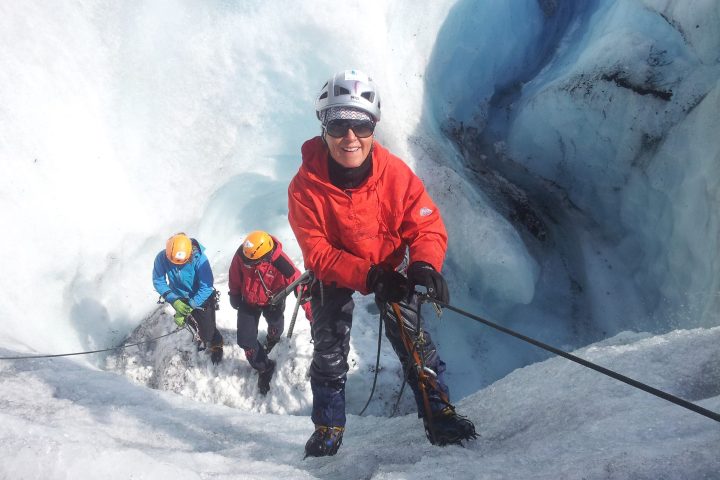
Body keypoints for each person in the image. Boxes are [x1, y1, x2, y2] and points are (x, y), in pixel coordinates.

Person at [288, 70, 477, 457]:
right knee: (329, 347)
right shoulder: (304, 186)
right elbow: (319, 253)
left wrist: (424, 265)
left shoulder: (394, 175)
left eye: (361, 125)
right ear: (323, 126)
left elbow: (425, 223)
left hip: (387, 267)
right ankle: (328, 426)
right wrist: (368, 275)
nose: (350, 137)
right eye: (339, 124)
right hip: (336, 272)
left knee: (414, 342)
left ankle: (439, 416)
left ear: (374, 127)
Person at [228, 230, 312, 395]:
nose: (247, 263)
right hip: (249, 301)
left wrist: (312, 315)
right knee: (245, 340)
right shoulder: (244, 254)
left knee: (276, 327)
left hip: (273, 301)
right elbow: (235, 275)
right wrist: (234, 294)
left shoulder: (281, 262)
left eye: (252, 261)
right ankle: (264, 367)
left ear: (264, 256)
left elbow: (300, 285)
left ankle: (272, 339)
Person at [153, 233, 224, 364]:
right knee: (192, 321)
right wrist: (173, 299)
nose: (176, 265)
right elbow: (159, 281)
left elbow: (206, 287)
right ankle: (201, 334)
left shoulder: (199, 259)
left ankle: (216, 341)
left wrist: (191, 304)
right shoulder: (162, 257)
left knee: (208, 332)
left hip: (201, 299)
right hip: (178, 297)